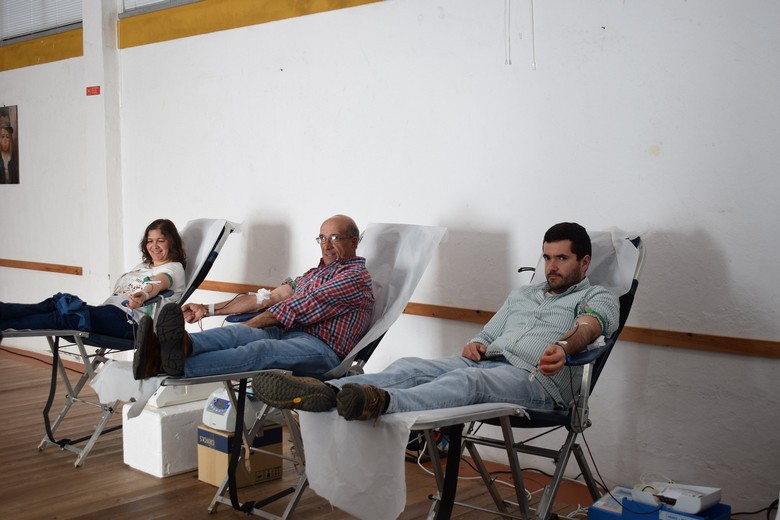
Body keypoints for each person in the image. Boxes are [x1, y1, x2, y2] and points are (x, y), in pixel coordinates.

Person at [252, 222, 620, 421]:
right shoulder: (522, 295)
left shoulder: (597, 296)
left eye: (562, 259)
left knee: (466, 381)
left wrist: (564, 347)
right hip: (487, 363)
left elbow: (590, 326)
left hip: (536, 382)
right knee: (411, 366)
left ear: (584, 262)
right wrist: (477, 344)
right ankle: (326, 393)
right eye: (547, 258)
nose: (552, 267)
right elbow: (487, 334)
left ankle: (380, 402)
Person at [132, 214, 375, 381]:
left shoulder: (354, 277)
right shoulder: (314, 274)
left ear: (354, 241)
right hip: (288, 333)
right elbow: (269, 298)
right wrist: (208, 309)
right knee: (237, 334)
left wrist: (248, 327)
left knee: (260, 349)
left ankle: (164, 366)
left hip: (323, 350)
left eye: (334, 238)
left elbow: (293, 309)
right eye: (322, 238)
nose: (326, 245)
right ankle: (173, 347)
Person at [0, 219, 187, 340]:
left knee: (65, 317)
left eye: (160, 240)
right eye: (150, 240)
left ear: (171, 242)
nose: (154, 246)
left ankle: (4, 325)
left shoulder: (174, 268)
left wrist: (143, 295)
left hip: (130, 322)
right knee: (57, 302)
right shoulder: (142, 266)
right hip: (109, 312)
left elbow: (158, 284)